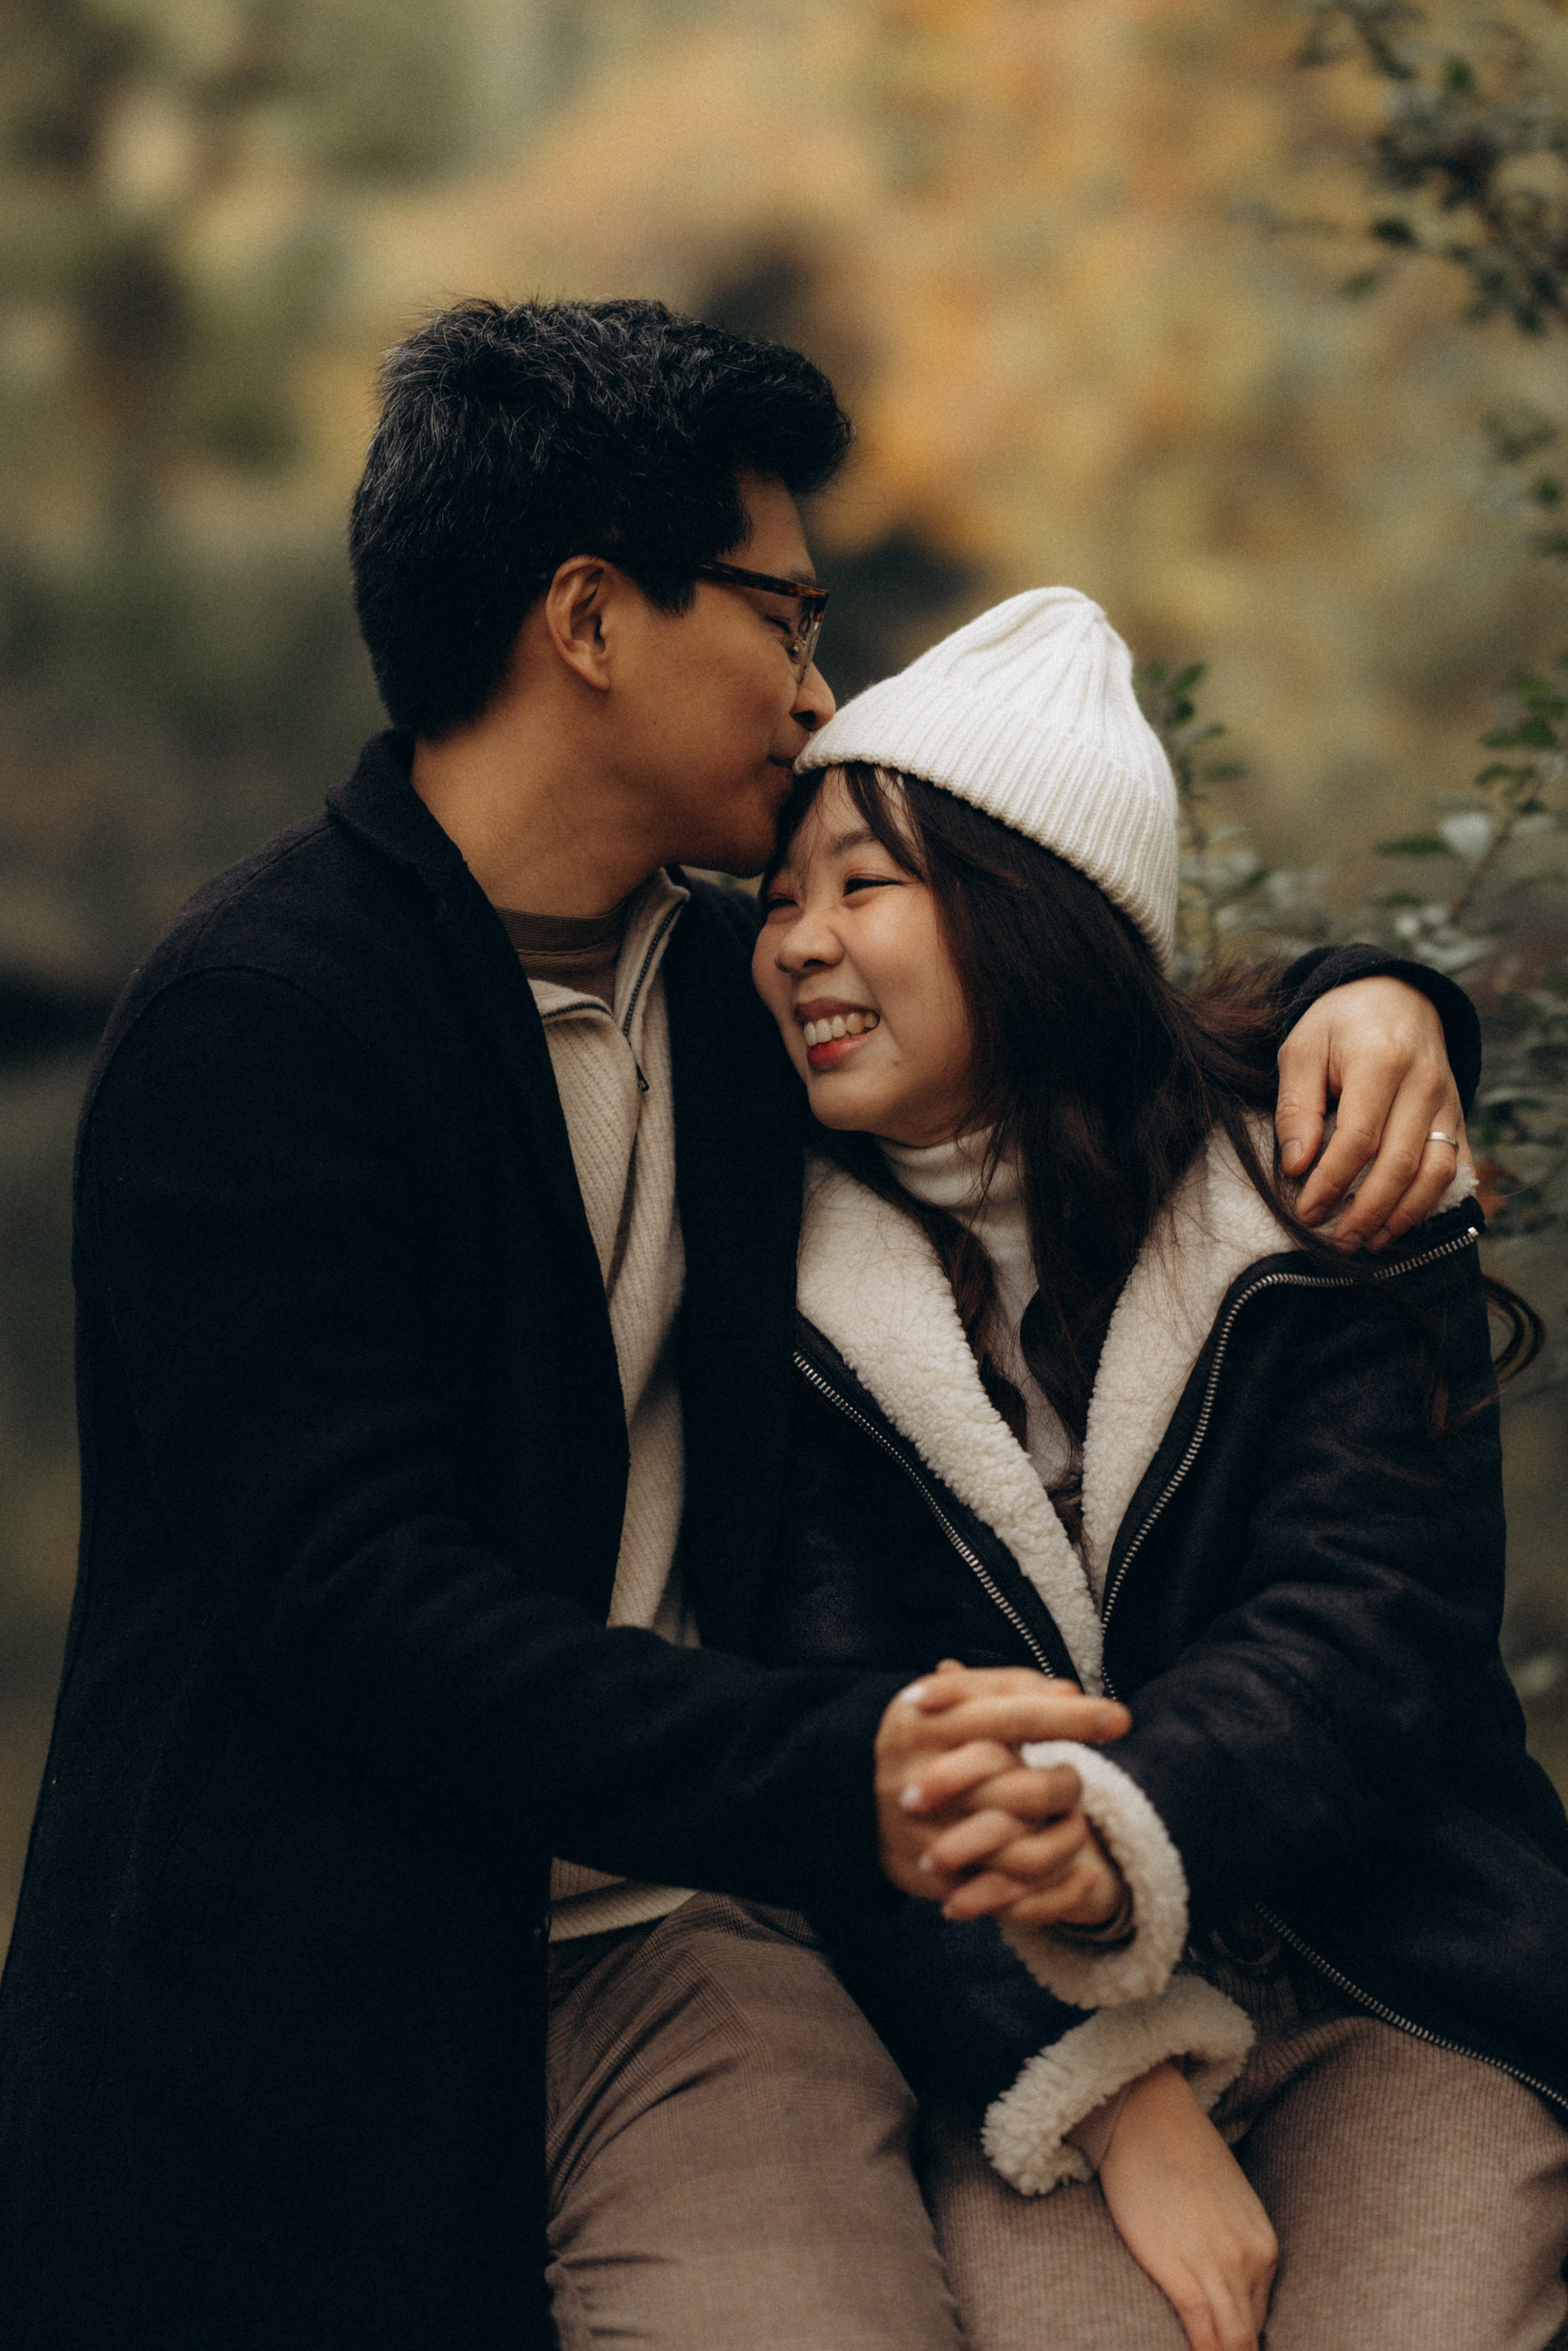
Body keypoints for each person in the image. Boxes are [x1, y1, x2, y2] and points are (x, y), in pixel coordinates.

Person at [0, 300, 1479, 2351]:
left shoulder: (732, 992)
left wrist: (1377, 996)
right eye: (784, 619)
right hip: (304, 1963)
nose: (817, 684)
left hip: (689, 1933)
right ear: (591, 621)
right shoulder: (260, 1026)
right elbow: (354, 1605)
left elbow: (1054, 981)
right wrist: (841, 1759)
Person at [750, 586, 1568, 2351]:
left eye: (864, 887)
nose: (801, 941)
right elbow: (838, 1716)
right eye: (783, 895)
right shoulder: (785, 1295)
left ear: (1030, 912)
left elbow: (1373, 1639)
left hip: (1389, 1971)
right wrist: (1116, 2088)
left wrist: (1113, 1827)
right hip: (1021, 2019)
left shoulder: (1318, 1189)